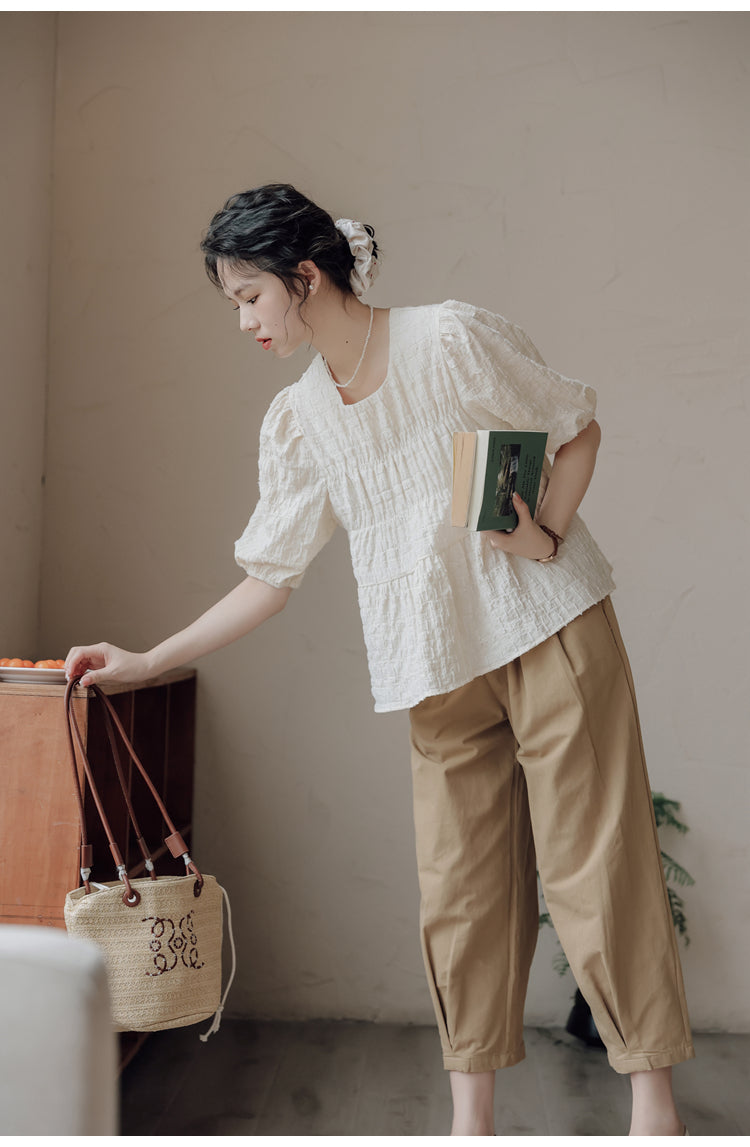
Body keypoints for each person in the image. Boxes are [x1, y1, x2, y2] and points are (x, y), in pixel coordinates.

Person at [65, 183, 695, 1136]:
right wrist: (151, 657)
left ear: (303, 275)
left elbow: (578, 427)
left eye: (248, 297)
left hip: (549, 628)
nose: (242, 321)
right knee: (461, 894)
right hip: (436, 665)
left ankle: (655, 1108)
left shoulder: (449, 339)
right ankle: (469, 1121)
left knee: (597, 870)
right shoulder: (303, 418)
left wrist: (547, 536)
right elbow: (269, 576)